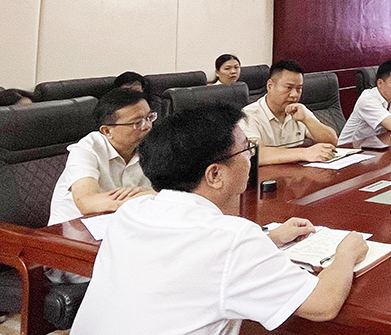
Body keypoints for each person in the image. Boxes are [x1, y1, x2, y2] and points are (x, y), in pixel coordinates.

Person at [71, 104, 368, 334]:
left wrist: (271, 239)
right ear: (215, 174)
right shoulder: (233, 237)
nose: (250, 158)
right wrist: (346, 252)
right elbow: (322, 304)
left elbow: (195, 260)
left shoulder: (131, 213)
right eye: (246, 150)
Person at [49, 88, 156, 228]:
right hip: (72, 233)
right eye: (137, 122)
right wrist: (151, 196)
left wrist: (154, 195)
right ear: (107, 131)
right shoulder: (87, 149)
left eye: (149, 117)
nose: (148, 126)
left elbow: (176, 190)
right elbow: (87, 203)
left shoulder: (151, 147)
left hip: (120, 225)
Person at [240, 60, 339, 165]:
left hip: (295, 172)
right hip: (266, 174)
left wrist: (307, 119)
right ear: (270, 86)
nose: (294, 95)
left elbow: (331, 142)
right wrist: (305, 153)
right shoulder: (248, 115)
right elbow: (255, 154)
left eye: (299, 89)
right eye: (288, 88)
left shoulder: (299, 111)